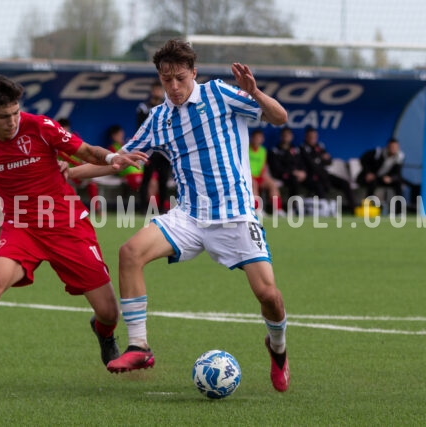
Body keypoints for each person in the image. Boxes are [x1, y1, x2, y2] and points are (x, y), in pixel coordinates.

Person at [69, 39, 291, 392]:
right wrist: (64, 174)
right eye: (166, 79)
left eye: (180, 78)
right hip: (188, 216)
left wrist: (256, 94)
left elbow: (280, 118)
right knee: (130, 252)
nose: (173, 86)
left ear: (194, 74)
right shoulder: (159, 118)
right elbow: (117, 160)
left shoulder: (221, 94)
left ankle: (278, 350)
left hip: (235, 215)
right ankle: (139, 346)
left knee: (269, 296)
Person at [0, 72, 148, 388]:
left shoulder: (40, 127)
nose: (13, 121)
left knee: (109, 312)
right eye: (4, 117)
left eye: (16, 112)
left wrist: (114, 157)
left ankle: (103, 331)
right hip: (21, 228)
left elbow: (86, 152)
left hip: (66, 224)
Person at [300, 126, 356, 212]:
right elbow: (311, 165)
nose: (313, 139)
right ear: (306, 137)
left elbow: (329, 161)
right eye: (310, 137)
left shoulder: (320, 146)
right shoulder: (302, 148)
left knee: (345, 184)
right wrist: (321, 159)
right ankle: (325, 209)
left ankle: (354, 209)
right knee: (319, 186)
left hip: (324, 174)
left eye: (314, 137)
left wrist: (319, 160)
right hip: (310, 176)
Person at [136, 80, 170, 213]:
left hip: (164, 150)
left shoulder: (167, 106)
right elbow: (140, 129)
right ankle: (143, 208)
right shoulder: (143, 108)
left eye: (159, 90)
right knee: (147, 179)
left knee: (163, 180)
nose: (157, 92)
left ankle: (162, 209)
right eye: (155, 89)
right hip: (149, 150)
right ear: (151, 91)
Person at [357, 137, 405, 204]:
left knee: (398, 184)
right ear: (388, 146)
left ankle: (399, 211)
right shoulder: (378, 153)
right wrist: (368, 172)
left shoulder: (399, 157)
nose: (393, 149)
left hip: (383, 179)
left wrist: (391, 178)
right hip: (369, 178)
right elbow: (363, 159)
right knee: (373, 182)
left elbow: (398, 173)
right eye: (392, 147)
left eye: (395, 147)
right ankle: (368, 204)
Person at [249, 129, 285, 216]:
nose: (257, 140)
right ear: (251, 138)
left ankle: (278, 210)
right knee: (254, 184)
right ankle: (257, 209)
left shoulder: (263, 151)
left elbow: (264, 166)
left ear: (262, 139)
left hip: (260, 177)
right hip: (249, 177)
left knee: (272, 184)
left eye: (259, 138)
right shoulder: (246, 149)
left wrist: (265, 176)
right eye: (256, 138)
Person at [268, 127, 307, 202]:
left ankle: (317, 203)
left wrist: (303, 172)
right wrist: (293, 172)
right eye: (284, 135)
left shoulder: (296, 150)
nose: (286, 137)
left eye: (288, 135)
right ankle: (293, 206)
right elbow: (276, 168)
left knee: (313, 179)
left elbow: (302, 163)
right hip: (282, 175)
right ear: (281, 136)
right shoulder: (275, 151)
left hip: (297, 175)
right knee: (293, 180)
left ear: (292, 137)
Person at [107, 124, 143, 192]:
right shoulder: (112, 148)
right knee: (146, 187)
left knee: (154, 180)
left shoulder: (128, 144)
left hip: (140, 171)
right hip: (128, 174)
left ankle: (160, 202)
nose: (119, 136)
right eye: (116, 134)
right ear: (112, 136)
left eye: (119, 133)